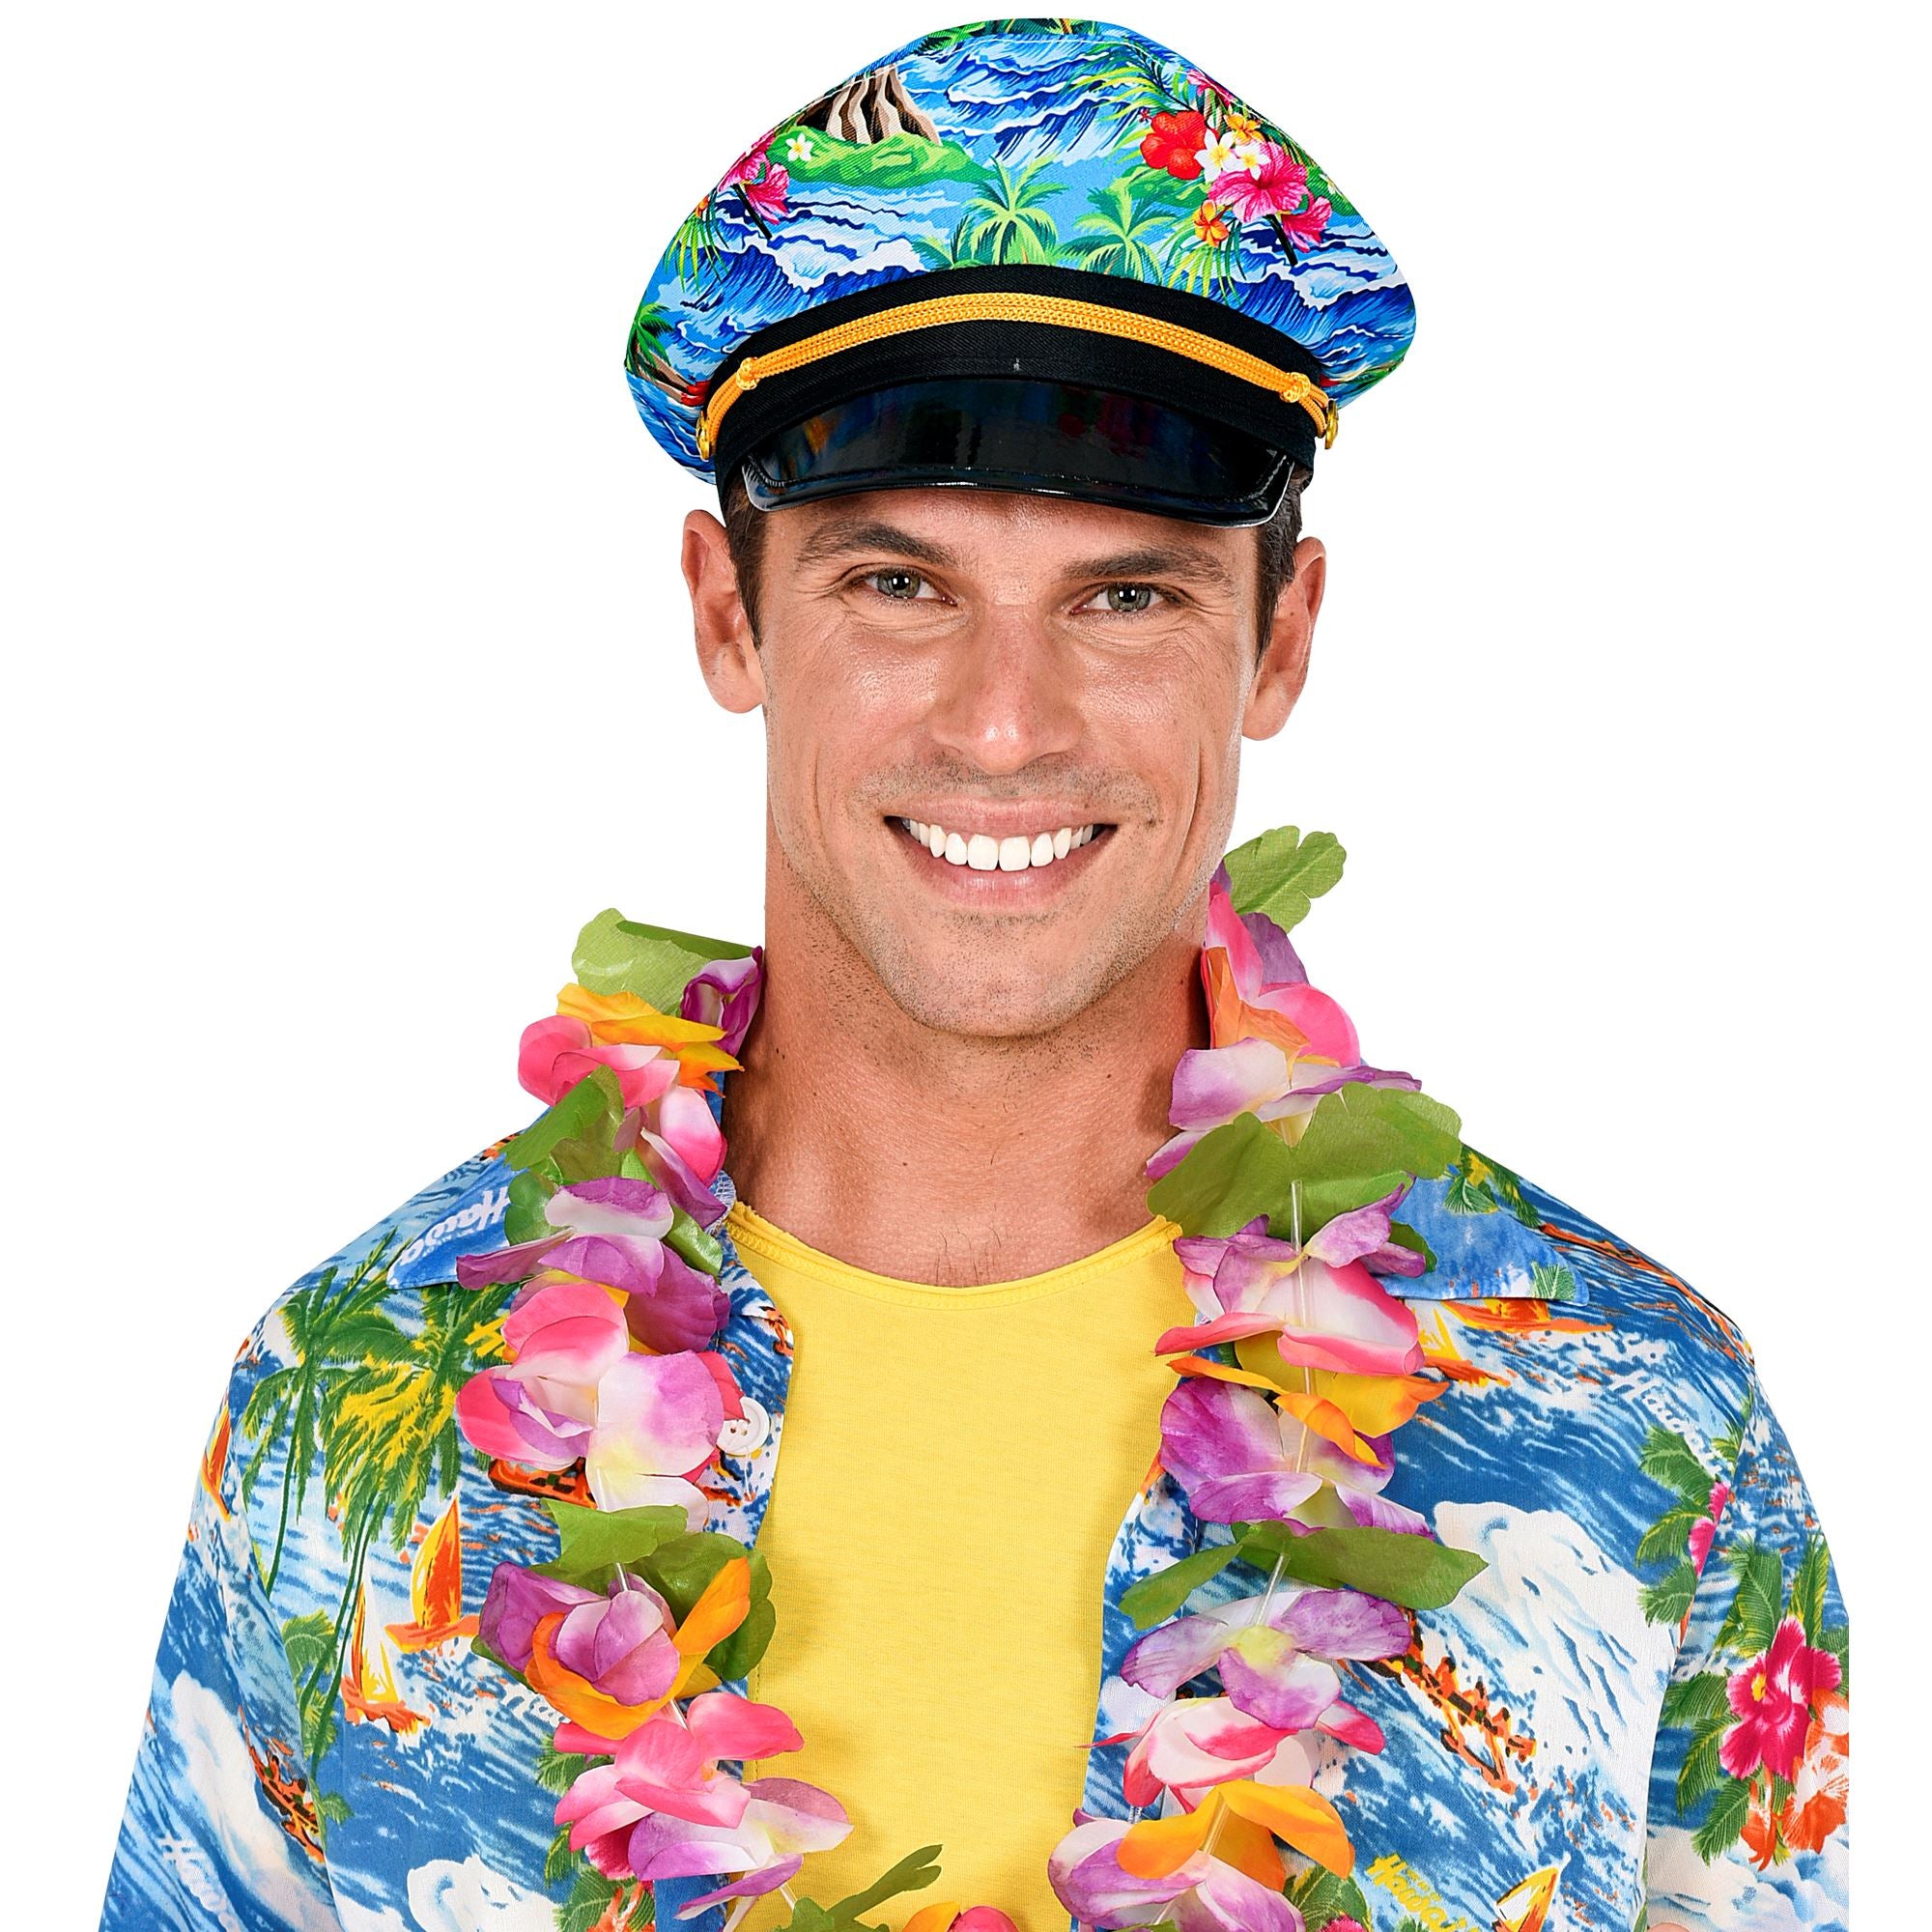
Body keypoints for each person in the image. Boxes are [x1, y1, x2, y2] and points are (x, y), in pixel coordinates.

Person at [99, 18, 1850, 1932]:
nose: (1005, 725)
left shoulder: (1635, 1426)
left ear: (1280, 641)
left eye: (1128, 596)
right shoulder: (354, 1404)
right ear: (725, 611)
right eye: (898, 584)